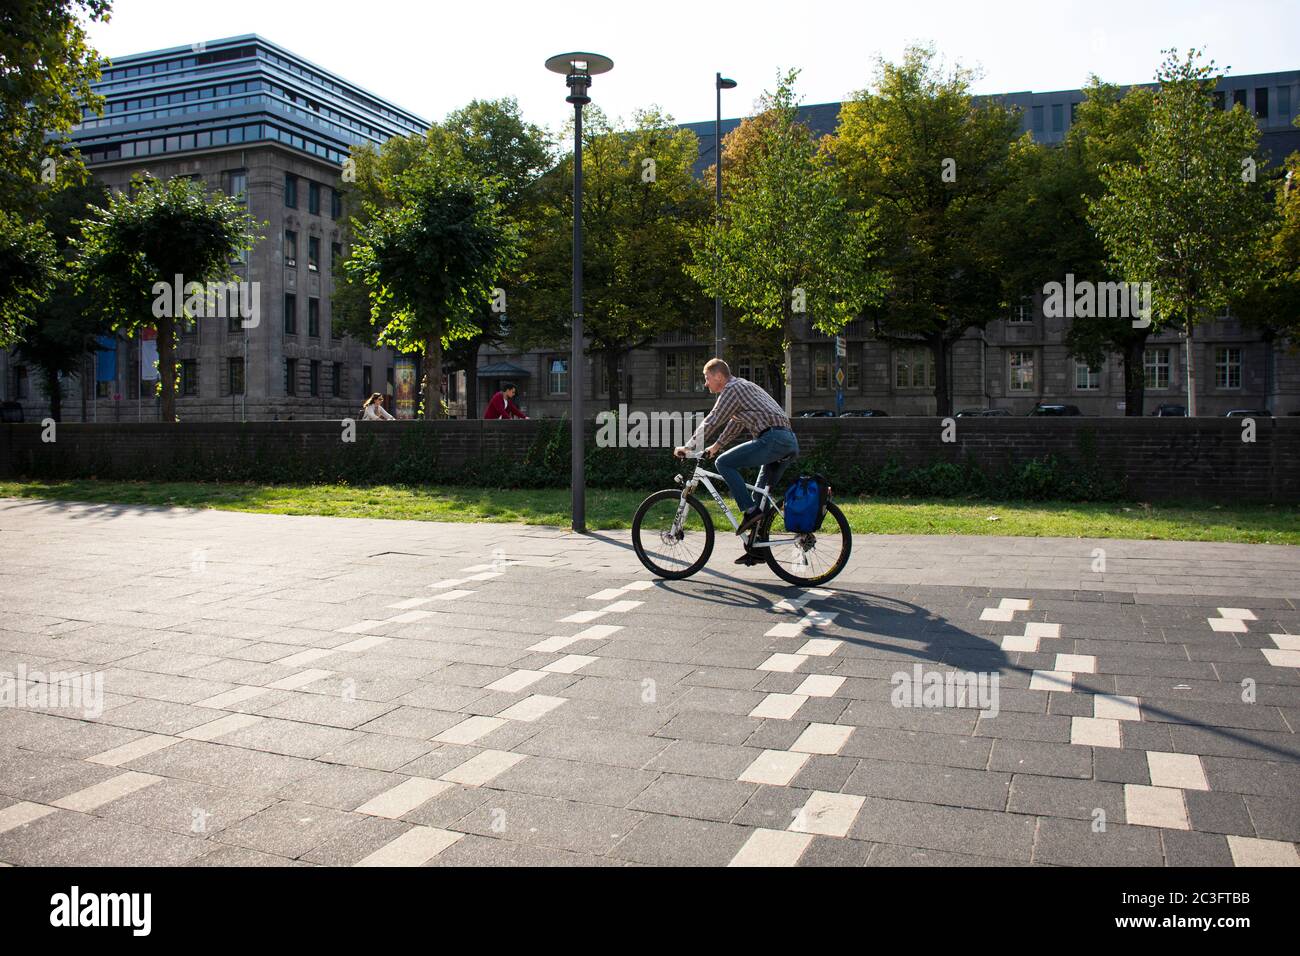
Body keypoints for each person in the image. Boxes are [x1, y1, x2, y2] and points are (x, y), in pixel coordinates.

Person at [674, 358, 799, 566]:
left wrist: (688, 447)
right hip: (787, 441)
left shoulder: (731, 389)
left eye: (707, 378)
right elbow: (734, 424)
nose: (706, 384)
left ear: (719, 376)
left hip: (772, 439)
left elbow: (713, 419)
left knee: (723, 464)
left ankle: (749, 513)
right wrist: (715, 447)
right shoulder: (742, 388)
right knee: (759, 496)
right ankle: (757, 548)